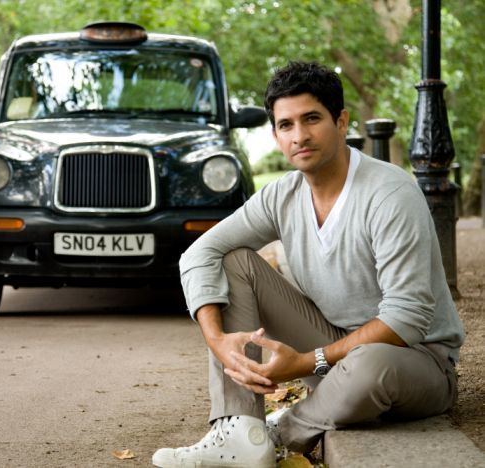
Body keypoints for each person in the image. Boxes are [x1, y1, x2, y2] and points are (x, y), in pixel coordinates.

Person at [152, 61, 465, 468]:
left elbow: (407, 318)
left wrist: (305, 363)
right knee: (234, 261)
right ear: (276, 134)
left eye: (311, 119)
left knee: (369, 363)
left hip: (414, 361)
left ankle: (277, 436)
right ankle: (237, 428)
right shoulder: (281, 195)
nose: (299, 135)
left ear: (341, 121)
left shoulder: (389, 193)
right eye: (286, 125)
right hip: (332, 349)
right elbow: (199, 253)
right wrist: (217, 340)